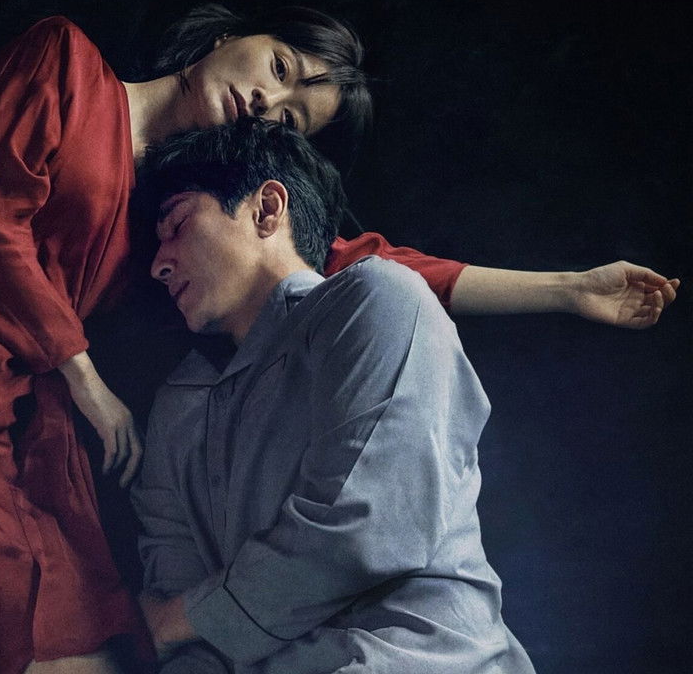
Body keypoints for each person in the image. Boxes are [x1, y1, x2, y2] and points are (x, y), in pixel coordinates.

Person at [0, 6, 676, 674]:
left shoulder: (180, 210)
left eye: (294, 116)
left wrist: (565, 289)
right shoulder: (66, 64)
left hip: (15, 422)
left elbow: (356, 265)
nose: (270, 102)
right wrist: (85, 377)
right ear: (232, 36)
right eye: (280, 71)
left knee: (75, 641)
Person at [134, 117, 536, 673]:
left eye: (177, 225)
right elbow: (172, 613)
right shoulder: (179, 405)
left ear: (266, 210)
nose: (159, 264)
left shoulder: (379, 299)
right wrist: (179, 630)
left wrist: (181, 619)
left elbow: (363, 530)